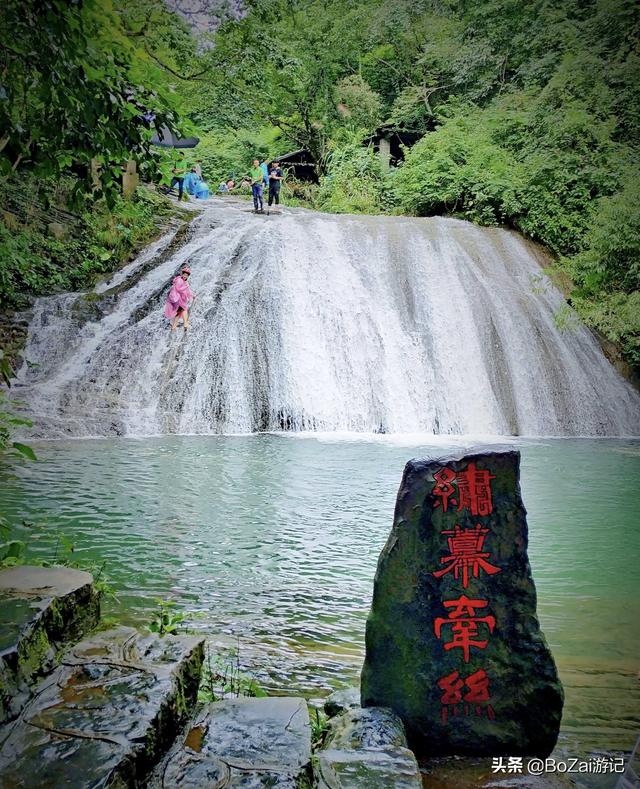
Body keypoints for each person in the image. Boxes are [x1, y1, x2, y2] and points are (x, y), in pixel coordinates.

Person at [164, 266, 195, 331]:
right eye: (184, 274)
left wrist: (192, 295)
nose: (185, 276)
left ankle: (174, 327)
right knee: (184, 309)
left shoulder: (185, 282)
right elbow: (178, 289)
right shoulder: (179, 280)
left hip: (179, 299)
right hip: (176, 299)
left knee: (179, 312)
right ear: (182, 274)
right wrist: (186, 287)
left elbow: (188, 290)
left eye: (187, 275)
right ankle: (185, 324)